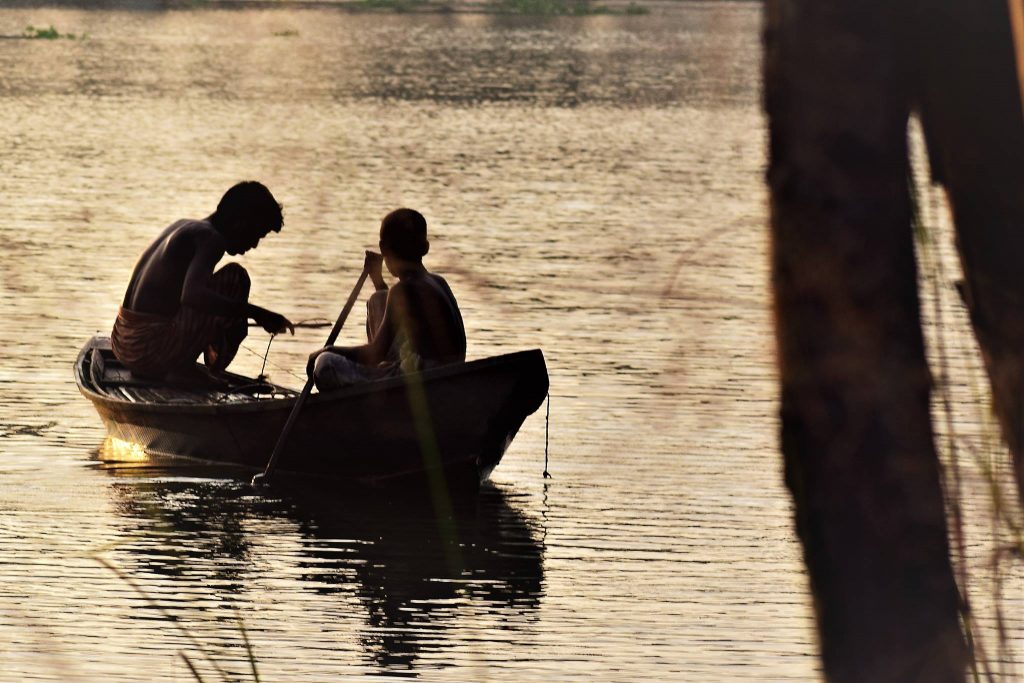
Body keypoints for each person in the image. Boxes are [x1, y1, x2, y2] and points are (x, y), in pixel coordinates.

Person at [111, 181, 294, 382]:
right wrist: (258, 314)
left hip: (122, 343)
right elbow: (192, 295)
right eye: (257, 235)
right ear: (242, 224)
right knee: (235, 277)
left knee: (224, 297)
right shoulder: (211, 239)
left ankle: (190, 364)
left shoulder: (185, 226)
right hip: (148, 351)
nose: (255, 245)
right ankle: (190, 368)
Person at [308, 208, 466, 391]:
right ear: (425, 247)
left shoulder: (403, 289)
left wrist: (328, 349)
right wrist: (378, 281)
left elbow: (376, 353)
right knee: (379, 298)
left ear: (383, 249)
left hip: (426, 381)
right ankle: (379, 375)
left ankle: (373, 392)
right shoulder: (438, 281)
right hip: (442, 373)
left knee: (326, 364)